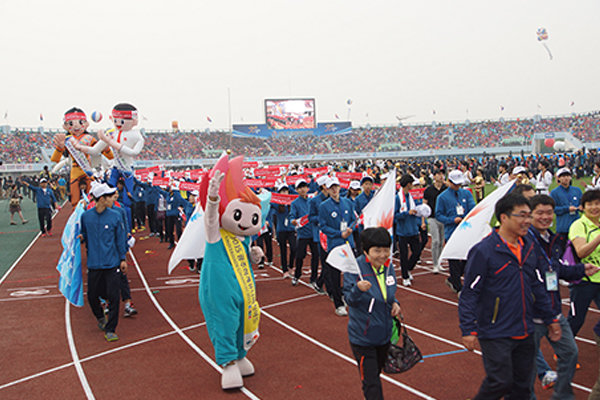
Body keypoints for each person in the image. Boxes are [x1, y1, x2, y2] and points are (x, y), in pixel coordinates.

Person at [459, 193, 561, 399]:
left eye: (528, 216)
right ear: (504, 217)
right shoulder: (484, 251)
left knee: (522, 386)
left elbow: (537, 284)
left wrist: (550, 319)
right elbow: (470, 292)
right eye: (521, 215)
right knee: (500, 381)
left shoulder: (529, 247)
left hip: (525, 328)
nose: (527, 221)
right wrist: (468, 328)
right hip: (495, 330)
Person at [528, 194, 598, 399]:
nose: (545, 217)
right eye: (539, 212)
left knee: (570, 352)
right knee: (525, 362)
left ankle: (562, 395)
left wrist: (581, 269)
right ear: (530, 215)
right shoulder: (525, 241)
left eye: (549, 212)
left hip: (553, 306)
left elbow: (555, 269)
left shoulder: (553, 239)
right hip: (530, 312)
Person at [344, 227, 402, 400]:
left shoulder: (388, 267)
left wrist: (396, 304)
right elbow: (349, 300)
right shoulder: (356, 269)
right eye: (377, 250)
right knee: (372, 384)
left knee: (375, 375)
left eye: (386, 250)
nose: (382, 255)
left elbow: (389, 294)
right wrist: (357, 289)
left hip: (384, 336)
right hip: (363, 339)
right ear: (365, 250)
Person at [80, 183, 127, 342]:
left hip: (112, 263)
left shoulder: (115, 215)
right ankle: (100, 317)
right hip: (94, 264)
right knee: (92, 296)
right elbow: (84, 234)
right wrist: (82, 238)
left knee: (114, 297)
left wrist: (122, 259)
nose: (112, 198)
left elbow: (120, 239)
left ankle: (111, 328)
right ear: (101, 199)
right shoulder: (86, 216)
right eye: (108, 196)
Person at [319, 177, 356, 316]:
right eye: (331, 188)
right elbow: (323, 226)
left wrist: (350, 229)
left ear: (340, 187)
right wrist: (340, 234)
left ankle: (347, 297)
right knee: (334, 275)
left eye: (336, 187)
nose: (334, 190)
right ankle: (338, 304)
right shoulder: (324, 206)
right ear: (327, 189)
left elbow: (353, 219)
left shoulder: (347, 203)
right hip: (335, 244)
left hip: (348, 243)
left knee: (351, 273)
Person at [435, 170, 475, 293]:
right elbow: (438, 215)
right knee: (453, 259)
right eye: (455, 184)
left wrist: (466, 218)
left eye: (459, 184)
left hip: (466, 231)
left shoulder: (466, 194)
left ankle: (454, 279)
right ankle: (458, 287)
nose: (457, 187)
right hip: (451, 231)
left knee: (467, 258)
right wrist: (452, 220)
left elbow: (473, 208)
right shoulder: (442, 197)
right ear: (449, 182)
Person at [567, 189, 600, 337]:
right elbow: (581, 251)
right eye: (590, 204)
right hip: (584, 279)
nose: (594, 207)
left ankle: (598, 333)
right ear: (583, 207)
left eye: (598, 204)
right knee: (577, 318)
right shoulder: (579, 225)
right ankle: (564, 350)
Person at [291, 179, 320, 289]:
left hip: (314, 233)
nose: (303, 189)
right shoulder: (295, 203)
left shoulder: (312, 200)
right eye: (300, 187)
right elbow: (292, 216)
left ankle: (313, 278)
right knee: (300, 256)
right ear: (297, 190)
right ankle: (297, 275)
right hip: (303, 234)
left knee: (315, 256)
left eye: (304, 187)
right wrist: (293, 221)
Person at [395, 174, 421, 287]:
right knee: (404, 255)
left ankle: (408, 268)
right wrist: (406, 213)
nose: (413, 186)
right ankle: (405, 276)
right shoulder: (398, 198)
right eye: (412, 184)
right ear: (408, 184)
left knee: (417, 251)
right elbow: (394, 215)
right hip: (403, 231)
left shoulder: (411, 196)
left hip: (413, 229)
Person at [550, 167, 582, 255]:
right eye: (563, 176)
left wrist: (581, 208)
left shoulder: (577, 190)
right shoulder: (554, 193)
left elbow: (582, 204)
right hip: (563, 226)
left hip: (576, 224)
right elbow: (554, 209)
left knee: (577, 251)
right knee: (563, 252)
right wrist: (567, 209)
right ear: (559, 178)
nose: (566, 178)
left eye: (568, 176)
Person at [309, 175, 330, 294]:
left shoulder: (333, 199)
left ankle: (323, 283)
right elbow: (311, 217)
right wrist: (322, 218)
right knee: (325, 263)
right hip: (320, 236)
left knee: (331, 262)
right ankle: (321, 283)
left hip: (331, 234)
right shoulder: (314, 201)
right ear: (324, 187)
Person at [270, 184, 297, 281]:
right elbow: (270, 199)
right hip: (281, 230)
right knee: (283, 250)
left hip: (291, 229)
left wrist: (290, 192)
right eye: (283, 191)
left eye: (286, 191)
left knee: (294, 248)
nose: (285, 193)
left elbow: (296, 194)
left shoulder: (292, 203)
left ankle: (290, 265)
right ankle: (285, 270)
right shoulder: (277, 204)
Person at [423, 168, 446, 273]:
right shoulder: (429, 190)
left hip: (443, 218)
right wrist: (423, 221)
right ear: (434, 176)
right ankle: (435, 264)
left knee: (441, 241)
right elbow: (424, 205)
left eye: (442, 174)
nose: (440, 176)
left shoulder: (446, 189)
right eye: (438, 174)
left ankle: (439, 262)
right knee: (435, 240)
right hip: (432, 217)